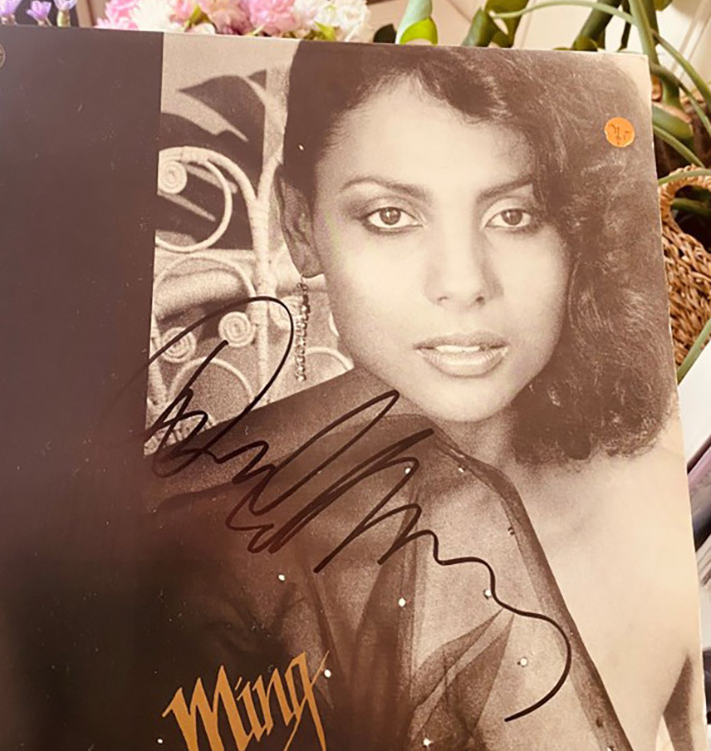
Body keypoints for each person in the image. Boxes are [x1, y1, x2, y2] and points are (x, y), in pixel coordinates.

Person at [142, 40, 705, 751]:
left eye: (515, 214)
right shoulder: (198, 551)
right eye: (390, 216)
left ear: (575, 230)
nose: (464, 282)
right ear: (300, 226)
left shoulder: (656, 506)